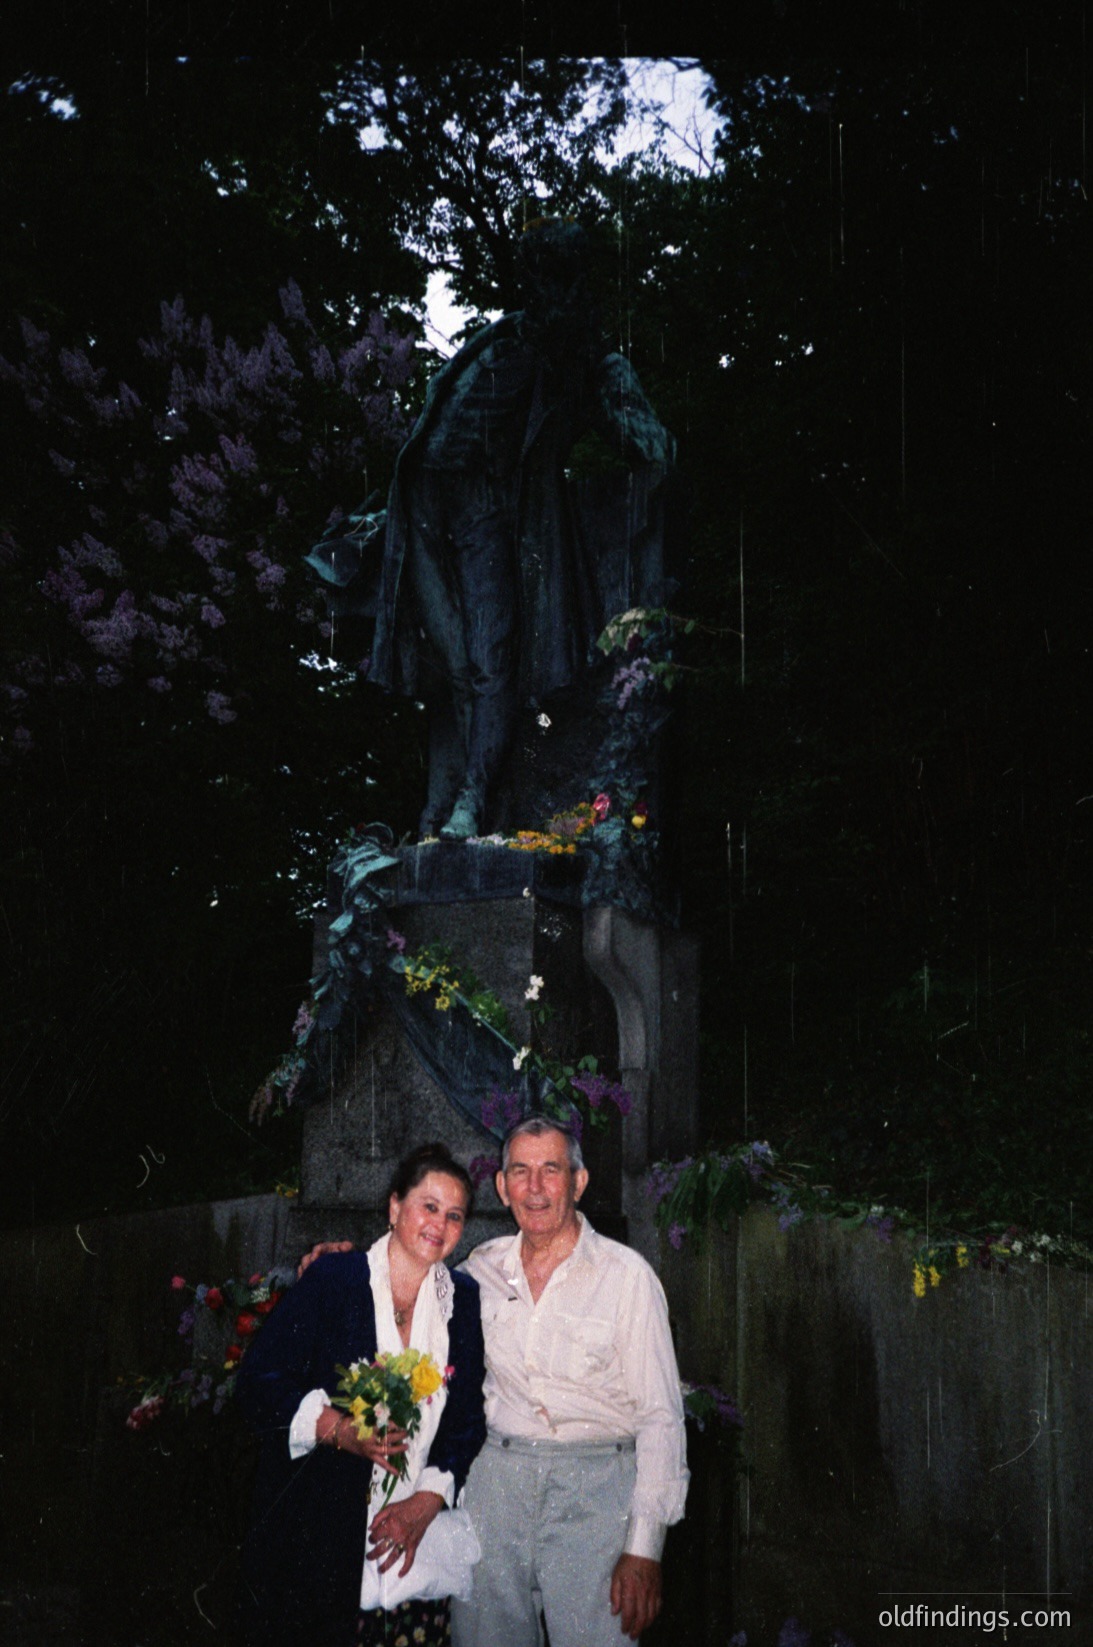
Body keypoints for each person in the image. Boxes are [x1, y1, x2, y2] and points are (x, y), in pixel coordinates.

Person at [302, 1117, 688, 1645]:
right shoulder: (479, 1271)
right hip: (495, 1486)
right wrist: (339, 1266)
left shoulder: (628, 1278)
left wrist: (645, 1546)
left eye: (551, 1170)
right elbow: (411, 1270)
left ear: (578, 1182)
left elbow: (662, 1416)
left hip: (596, 1491)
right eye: (520, 1171)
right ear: (502, 1187)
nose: (535, 1187)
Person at [368, 219, 675, 841]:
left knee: (489, 659)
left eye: (555, 278)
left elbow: (653, 446)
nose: (540, 292)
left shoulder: (583, 361)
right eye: (535, 277)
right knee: (446, 661)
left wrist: (643, 475)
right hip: (421, 510)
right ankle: (445, 807)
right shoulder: (502, 336)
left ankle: (472, 805)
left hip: (488, 512)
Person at [235, 1142, 487, 1647]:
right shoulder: (335, 1279)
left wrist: (427, 1502)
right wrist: (340, 1430)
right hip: (320, 1537)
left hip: (415, 1546)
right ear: (395, 1207)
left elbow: (466, 1419)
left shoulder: (464, 1298)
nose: (439, 1224)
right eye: (428, 1206)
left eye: (454, 1215)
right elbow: (257, 1384)